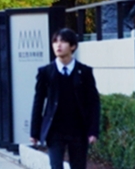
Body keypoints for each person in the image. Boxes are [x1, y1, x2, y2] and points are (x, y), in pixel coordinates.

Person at [30, 28, 101, 169]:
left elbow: (94, 103)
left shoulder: (85, 72)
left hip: (78, 130)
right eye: (55, 42)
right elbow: (38, 102)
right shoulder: (46, 72)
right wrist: (35, 132)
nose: (58, 45)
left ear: (72, 46)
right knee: (56, 166)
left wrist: (93, 131)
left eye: (63, 41)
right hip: (54, 130)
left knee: (78, 166)